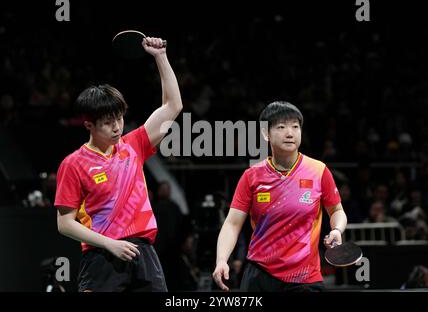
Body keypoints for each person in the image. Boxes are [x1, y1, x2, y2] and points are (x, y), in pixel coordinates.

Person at [54, 37, 182, 292]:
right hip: (102, 258)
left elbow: (173, 106)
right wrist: (109, 244)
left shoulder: (134, 145)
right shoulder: (74, 164)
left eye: (119, 118)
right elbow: (65, 224)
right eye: (107, 122)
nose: (116, 127)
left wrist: (160, 56)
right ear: (88, 124)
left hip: (144, 255)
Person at [212, 101, 347, 292]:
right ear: (266, 133)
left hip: (304, 277)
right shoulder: (251, 176)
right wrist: (221, 260)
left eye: (295, 126)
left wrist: (337, 230)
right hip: (259, 274)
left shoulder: (318, 171)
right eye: (281, 127)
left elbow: (337, 211)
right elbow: (232, 224)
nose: (290, 133)